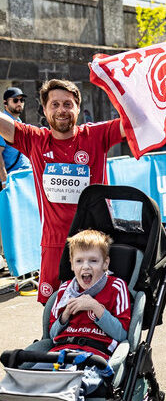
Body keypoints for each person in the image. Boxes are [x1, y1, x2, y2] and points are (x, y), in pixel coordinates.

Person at [0, 79, 125, 303]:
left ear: (78, 107)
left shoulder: (96, 135)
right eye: (54, 104)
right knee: (53, 310)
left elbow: (133, 123)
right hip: (54, 244)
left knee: (99, 307)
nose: (61, 110)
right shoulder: (34, 140)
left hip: (93, 243)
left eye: (68, 104)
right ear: (44, 109)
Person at [16, 229, 131, 401]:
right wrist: (65, 315)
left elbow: (122, 334)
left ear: (105, 263)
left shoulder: (117, 287)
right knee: (25, 380)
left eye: (93, 261)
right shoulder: (64, 291)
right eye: (79, 261)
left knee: (68, 385)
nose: (86, 267)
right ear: (71, 264)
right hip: (59, 353)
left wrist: (96, 308)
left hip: (93, 357)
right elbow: (52, 336)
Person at [0, 87, 31, 183]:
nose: (19, 103)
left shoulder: (20, 123)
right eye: (15, 100)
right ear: (5, 103)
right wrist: (4, 181)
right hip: (10, 180)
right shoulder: (3, 124)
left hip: (24, 178)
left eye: (22, 100)